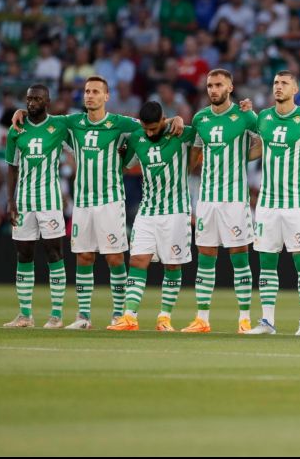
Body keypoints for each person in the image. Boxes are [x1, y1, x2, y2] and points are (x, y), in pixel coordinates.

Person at [10, 77, 184, 329]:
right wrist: (21, 111)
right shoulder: (72, 122)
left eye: (95, 92)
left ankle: (118, 314)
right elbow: (41, 117)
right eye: (86, 91)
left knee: (114, 258)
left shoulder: (120, 123)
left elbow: (152, 125)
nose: (89, 95)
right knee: (84, 257)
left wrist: (174, 120)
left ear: (106, 96)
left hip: (110, 201)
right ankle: (83, 316)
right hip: (82, 203)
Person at [245, 71, 300, 336]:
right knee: (267, 262)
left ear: (295, 88)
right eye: (275, 83)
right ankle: (266, 321)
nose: (278, 87)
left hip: (297, 203)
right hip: (267, 204)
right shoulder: (264, 117)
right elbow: (260, 147)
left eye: (284, 83)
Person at [107, 102, 197, 331]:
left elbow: (203, 136)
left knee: (173, 266)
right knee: (137, 260)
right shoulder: (137, 137)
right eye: (146, 128)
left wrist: (180, 119)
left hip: (176, 211)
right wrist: (122, 151)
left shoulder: (180, 132)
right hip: (147, 210)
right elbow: (126, 164)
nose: (149, 133)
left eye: (154, 128)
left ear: (163, 120)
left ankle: (164, 317)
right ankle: (129, 316)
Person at [182, 69, 257, 334]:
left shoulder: (245, 115)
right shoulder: (201, 118)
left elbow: (264, 140)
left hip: (234, 200)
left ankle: (245, 318)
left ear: (230, 87)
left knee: (239, 256)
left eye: (218, 85)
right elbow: (196, 153)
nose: (213, 90)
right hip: (206, 200)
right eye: (210, 85)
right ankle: (202, 318)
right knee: (205, 256)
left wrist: (243, 157)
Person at [3, 85, 68, 329]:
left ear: (47, 101)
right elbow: (12, 167)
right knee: (24, 254)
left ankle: (56, 315)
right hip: (24, 202)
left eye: (37, 98)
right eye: (28, 98)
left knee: (54, 254)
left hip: (50, 202)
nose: (32, 103)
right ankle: (25, 315)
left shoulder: (61, 125)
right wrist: (10, 201)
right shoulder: (16, 130)